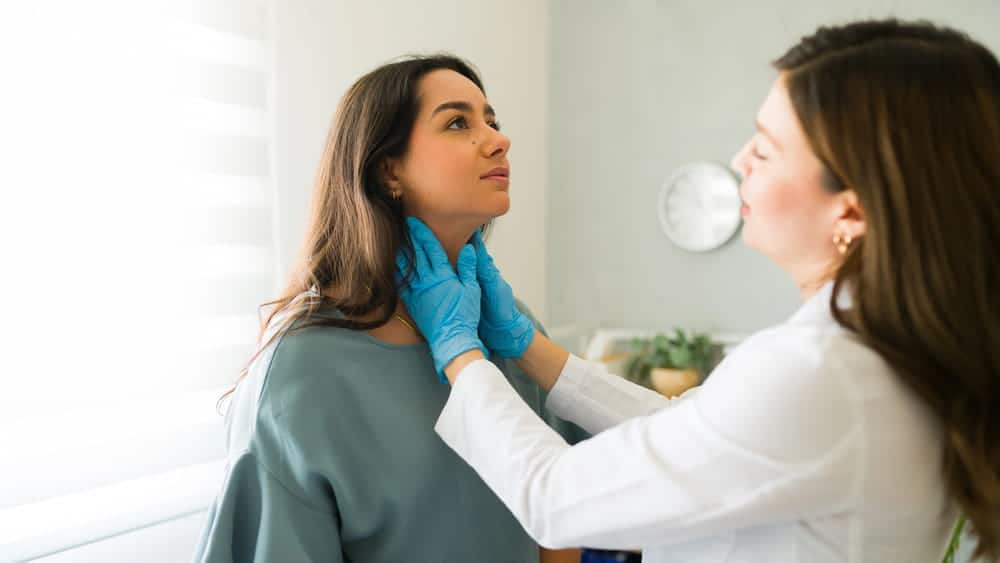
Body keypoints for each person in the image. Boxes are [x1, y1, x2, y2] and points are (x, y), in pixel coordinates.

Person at [397, 19, 1000, 563]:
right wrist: (526, 346)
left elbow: (555, 497)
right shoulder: (884, 350)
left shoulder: (820, 371)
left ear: (852, 210)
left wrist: (460, 353)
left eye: (764, 147)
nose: (740, 160)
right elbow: (697, 435)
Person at [193, 54, 584, 563]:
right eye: (458, 122)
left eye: (492, 120)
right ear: (387, 169)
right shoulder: (302, 370)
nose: (497, 139)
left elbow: (560, 512)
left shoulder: (512, 330)